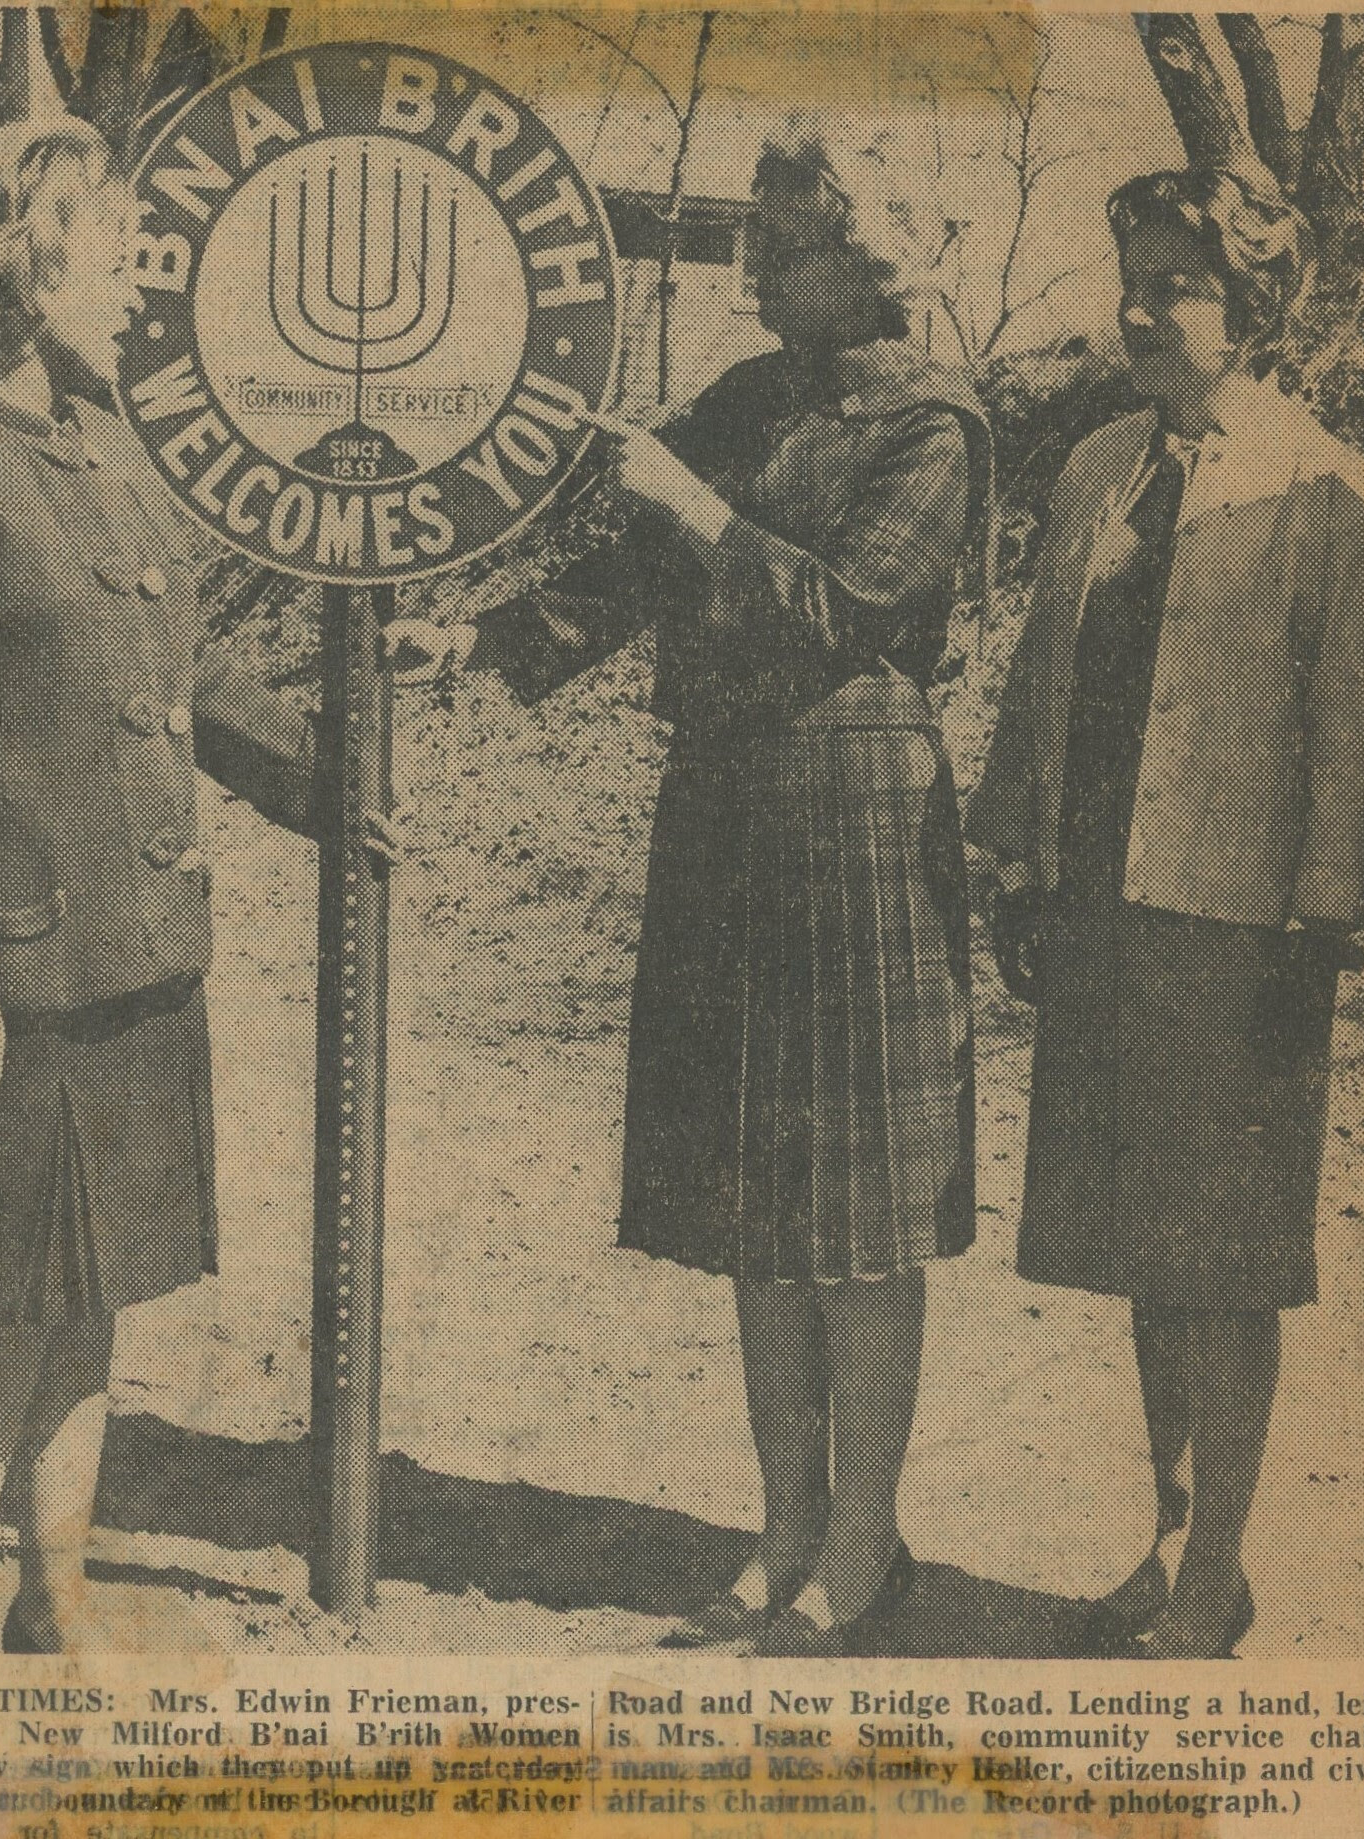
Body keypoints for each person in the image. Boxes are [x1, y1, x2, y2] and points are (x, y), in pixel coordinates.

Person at [387, 134, 991, 1655]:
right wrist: (490, 644)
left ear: (874, 256)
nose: (756, 275)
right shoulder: (751, 399)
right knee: (759, 1192)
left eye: (785, 249)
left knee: (858, 1208)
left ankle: (866, 1547)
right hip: (727, 807)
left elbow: (846, 613)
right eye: (756, 245)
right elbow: (638, 567)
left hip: (855, 808)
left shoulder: (934, 423)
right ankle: (781, 1530)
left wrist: (701, 509)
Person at [0, 119, 400, 1653]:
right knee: (6, 1297)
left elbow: (177, 681)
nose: (146, 286)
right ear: (22, 267)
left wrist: (337, 776)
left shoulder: (104, 451)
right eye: (120, 253)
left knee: (96, 1296)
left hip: (137, 957)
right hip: (8, 974)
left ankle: (56, 1584)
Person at [967, 166, 1364, 1658]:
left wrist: (1321, 921)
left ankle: (1222, 1570)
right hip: (1105, 908)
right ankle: (1164, 1537)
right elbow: (1040, 683)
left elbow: (1355, 732)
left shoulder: (1324, 487)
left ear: (1251, 306)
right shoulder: (1097, 469)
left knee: (1222, 1256)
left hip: (1239, 928)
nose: (1142, 310)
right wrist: (1015, 864)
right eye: (1133, 279)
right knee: (1143, 1247)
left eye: (1180, 285)